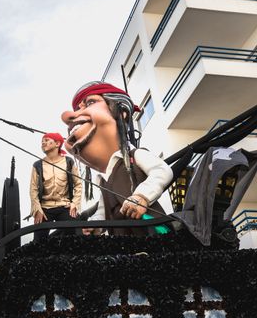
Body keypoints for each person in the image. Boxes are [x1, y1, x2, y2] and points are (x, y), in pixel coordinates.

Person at [61, 81, 173, 236]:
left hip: (152, 230)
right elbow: (103, 208)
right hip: (121, 237)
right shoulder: (102, 178)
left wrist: (142, 197)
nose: (68, 116)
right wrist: (96, 224)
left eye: (90, 102)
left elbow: (162, 171)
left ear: (120, 112)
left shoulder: (135, 156)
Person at [29, 132, 82, 241]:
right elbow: (33, 190)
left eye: (47, 140)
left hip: (64, 206)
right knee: (38, 240)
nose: (43, 143)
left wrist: (74, 204)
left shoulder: (68, 162)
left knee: (74, 234)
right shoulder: (37, 165)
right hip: (45, 207)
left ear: (57, 143)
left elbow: (78, 184)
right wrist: (37, 209)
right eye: (42, 141)